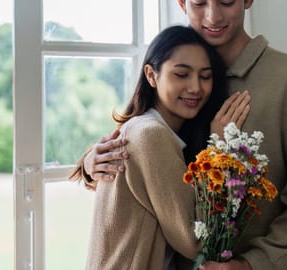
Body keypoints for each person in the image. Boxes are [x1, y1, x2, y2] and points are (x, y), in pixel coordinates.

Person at [77, 0, 287, 270]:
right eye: (199, 3)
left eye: (226, 2)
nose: (212, 17)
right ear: (181, 0)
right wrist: (92, 164)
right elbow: (141, 138)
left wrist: (253, 264)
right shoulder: (176, 68)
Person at [70, 25, 234, 269]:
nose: (195, 87)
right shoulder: (151, 135)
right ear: (151, 75)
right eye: (181, 74)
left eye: (205, 76)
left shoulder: (142, 128)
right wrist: (219, 149)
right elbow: (193, 241)